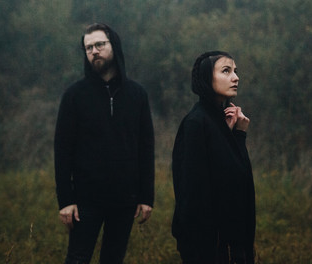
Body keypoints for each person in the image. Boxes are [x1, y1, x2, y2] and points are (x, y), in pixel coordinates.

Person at [54, 23, 155, 264]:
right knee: (77, 259)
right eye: (88, 47)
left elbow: (145, 148)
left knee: (113, 259)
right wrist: (66, 200)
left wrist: (146, 196)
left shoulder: (137, 95)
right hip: (86, 199)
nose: (94, 51)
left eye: (99, 44)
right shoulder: (74, 96)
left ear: (114, 46)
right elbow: (62, 150)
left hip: (125, 198)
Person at [172, 51, 256, 264]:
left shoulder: (220, 120)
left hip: (229, 239)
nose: (236, 77)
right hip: (209, 245)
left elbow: (240, 178)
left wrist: (237, 134)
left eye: (235, 71)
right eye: (226, 71)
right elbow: (191, 192)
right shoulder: (196, 123)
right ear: (206, 77)